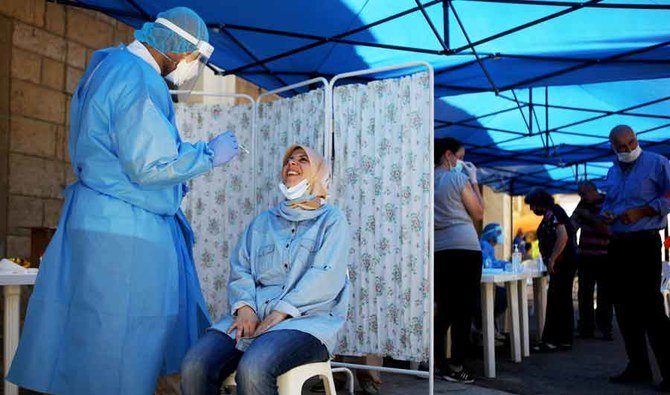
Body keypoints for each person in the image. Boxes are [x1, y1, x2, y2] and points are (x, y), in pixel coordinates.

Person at [6, 8, 240, 395]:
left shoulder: (106, 66)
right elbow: (151, 164)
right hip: (125, 231)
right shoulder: (139, 78)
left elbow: (118, 151)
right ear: (177, 49)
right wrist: (208, 155)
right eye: (194, 59)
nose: (192, 69)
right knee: (125, 342)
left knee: (92, 338)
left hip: (96, 218)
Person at [180, 145, 350, 395]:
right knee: (195, 365)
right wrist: (245, 307)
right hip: (253, 317)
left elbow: (325, 276)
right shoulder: (262, 222)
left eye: (302, 160)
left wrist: (281, 312)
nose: (291, 164)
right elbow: (241, 268)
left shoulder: (332, 221)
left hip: (307, 323)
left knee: (255, 366)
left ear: (318, 174)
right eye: (288, 161)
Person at [602, 125, 670, 392]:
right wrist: (606, 213)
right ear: (613, 147)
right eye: (622, 145)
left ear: (637, 139)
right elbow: (609, 203)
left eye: (632, 142)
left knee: (651, 309)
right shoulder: (612, 171)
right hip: (619, 245)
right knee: (624, 309)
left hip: (644, 244)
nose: (628, 149)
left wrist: (643, 211)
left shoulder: (657, 163)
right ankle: (638, 367)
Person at [433, 137, 484, 383]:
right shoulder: (456, 178)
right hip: (465, 247)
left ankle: (437, 361)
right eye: (460, 158)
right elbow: (479, 212)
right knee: (464, 308)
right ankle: (458, 365)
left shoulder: (424, 182)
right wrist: (473, 181)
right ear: (448, 155)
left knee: (443, 308)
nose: (462, 163)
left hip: (438, 250)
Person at [525, 188, 577, 352]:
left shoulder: (554, 214)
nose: (532, 209)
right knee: (561, 300)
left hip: (563, 263)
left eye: (533, 205)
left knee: (557, 300)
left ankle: (553, 340)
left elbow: (563, 237)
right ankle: (562, 339)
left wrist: (553, 259)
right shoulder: (553, 213)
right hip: (563, 263)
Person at [570, 180, 613, 341]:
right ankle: (586, 328)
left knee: (605, 295)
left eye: (583, 193)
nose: (582, 197)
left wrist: (589, 217)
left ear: (593, 190)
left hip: (605, 257)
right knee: (584, 294)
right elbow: (572, 226)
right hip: (586, 257)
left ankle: (605, 328)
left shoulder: (608, 202)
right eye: (580, 194)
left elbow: (609, 230)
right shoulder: (582, 205)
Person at [474, 223, 508, 335]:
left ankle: (488, 328)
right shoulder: (484, 245)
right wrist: (504, 265)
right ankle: (484, 329)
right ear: (491, 234)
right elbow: (488, 264)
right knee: (504, 295)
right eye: (499, 233)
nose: (501, 235)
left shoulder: (488, 247)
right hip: (479, 288)